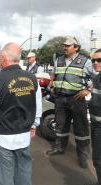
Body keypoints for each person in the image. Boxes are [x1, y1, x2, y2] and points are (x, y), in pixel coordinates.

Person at [0, 43, 42, 185]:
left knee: (5, 176)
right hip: (24, 135)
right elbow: (37, 106)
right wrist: (34, 124)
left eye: (0, 57)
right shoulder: (32, 79)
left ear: (3, 58)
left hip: (2, 137)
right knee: (24, 173)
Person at [46, 36, 97, 169]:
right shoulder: (59, 60)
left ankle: (83, 155)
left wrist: (88, 90)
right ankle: (59, 147)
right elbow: (55, 74)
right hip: (60, 98)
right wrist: (52, 83)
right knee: (60, 125)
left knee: (81, 128)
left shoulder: (85, 62)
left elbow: (97, 76)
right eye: (64, 45)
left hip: (77, 99)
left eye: (68, 46)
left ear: (76, 47)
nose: (64, 47)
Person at [88, 49, 101, 185]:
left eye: (99, 60)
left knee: (98, 159)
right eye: (93, 60)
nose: (95, 63)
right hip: (95, 124)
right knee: (96, 158)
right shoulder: (97, 77)